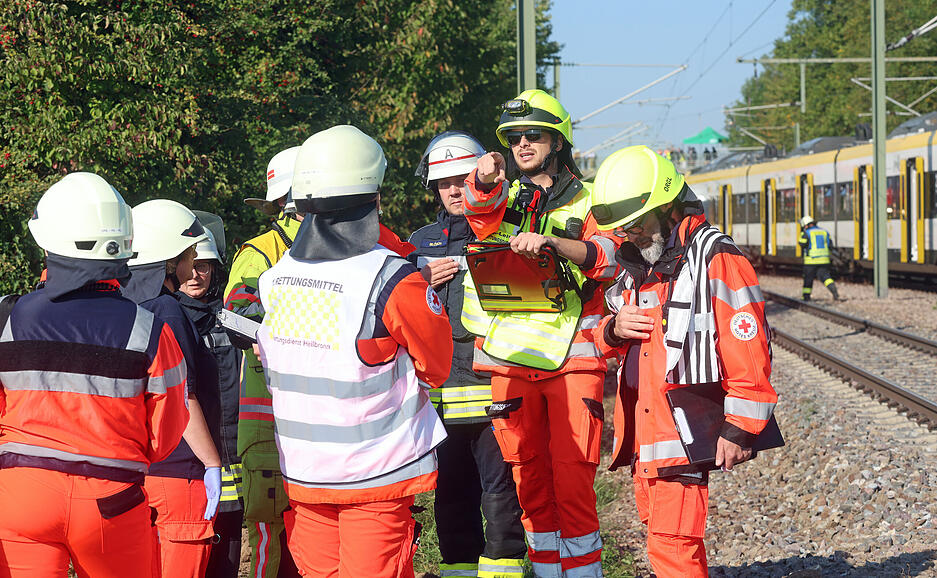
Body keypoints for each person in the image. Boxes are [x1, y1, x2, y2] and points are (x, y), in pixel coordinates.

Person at [253, 124, 453, 577]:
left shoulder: (275, 278)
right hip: (375, 477)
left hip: (305, 476)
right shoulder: (392, 280)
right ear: (374, 197)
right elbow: (436, 366)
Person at [588, 145, 779, 577]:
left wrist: (741, 427)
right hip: (647, 439)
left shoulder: (715, 258)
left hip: (682, 435)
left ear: (668, 208)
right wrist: (613, 331)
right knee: (670, 545)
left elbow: (748, 346)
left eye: (635, 224)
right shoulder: (641, 266)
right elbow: (606, 335)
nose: (628, 234)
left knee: (672, 550)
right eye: (622, 228)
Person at [460, 89, 621, 577]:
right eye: (514, 138)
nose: (522, 144)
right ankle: (549, 571)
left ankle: (584, 573)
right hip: (511, 358)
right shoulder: (505, 198)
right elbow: (474, 210)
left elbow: (609, 259)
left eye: (533, 135)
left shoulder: (593, 200)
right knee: (529, 481)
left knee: (572, 480)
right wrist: (483, 177)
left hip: (573, 357)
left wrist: (554, 242)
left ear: (558, 139)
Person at [0, 173, 189, 577]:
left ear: (48, 243)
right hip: (112, 499)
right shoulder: (149, 328)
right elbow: (168, 427)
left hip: (21, 494)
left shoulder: (8, 318)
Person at [409, 131, 526, 578]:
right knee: (452, 493)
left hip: (496, 388)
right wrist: (420, 280)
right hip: (442, 395)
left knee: (501, 493)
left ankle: (505, 572)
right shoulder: (418, 243)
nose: (456, 190)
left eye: (464, 178)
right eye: (445, 183)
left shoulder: (505, 230)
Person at [124, 199, 224, 578]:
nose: (194, 260)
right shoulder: (168, 312)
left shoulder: (125, 308)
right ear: (171, 258)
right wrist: (212, 463)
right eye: (189, 252)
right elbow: (183, 396)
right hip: (178, 474)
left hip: (135, 472)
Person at [223, 146, 304, 578]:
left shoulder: (336, 250)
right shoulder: (260, 253)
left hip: (316, 421)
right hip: (268, 422)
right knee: (268, 535)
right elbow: (237, 314)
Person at [178, 213, 244, 578]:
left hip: (230, 455)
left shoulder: (230, 320)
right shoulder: (165, 319)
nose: (195, 275)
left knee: (227, 554)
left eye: (203, 266)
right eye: (190, 265)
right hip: (183, 463)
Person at [798, 215, 841, 301]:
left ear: (806, 225)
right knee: (826, 277)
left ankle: (806, 297)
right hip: (824, 260)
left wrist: (802, 235)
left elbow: (802, 244)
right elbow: (830, 245)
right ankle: (834, 292)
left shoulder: (806, 233)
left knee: (808, 279)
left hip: (811, 261)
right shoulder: (824, 232)